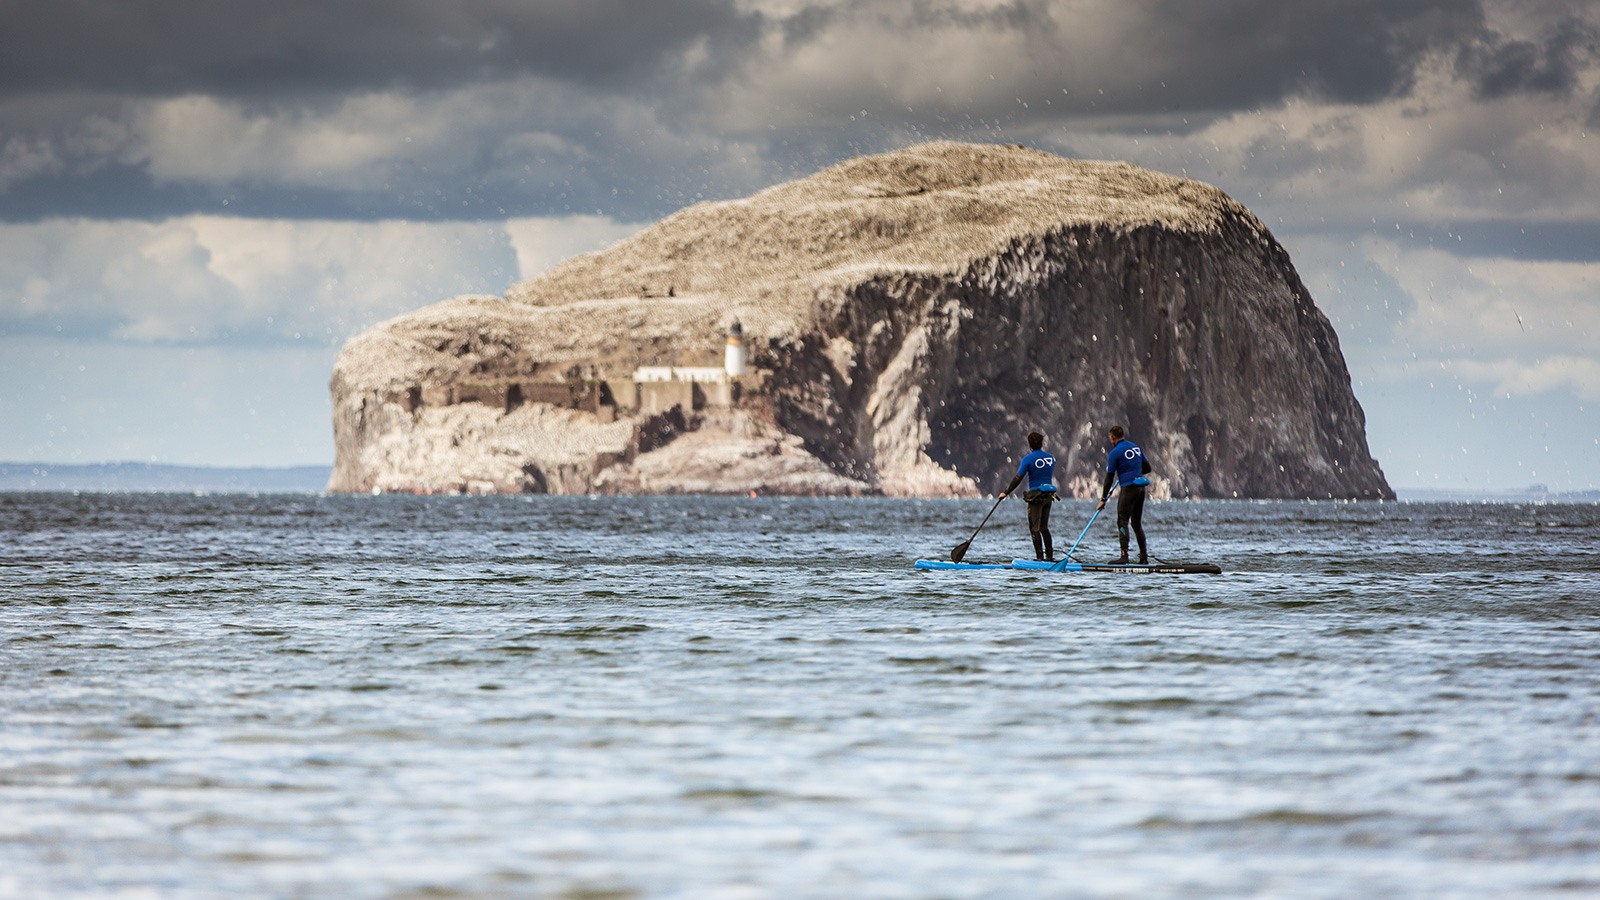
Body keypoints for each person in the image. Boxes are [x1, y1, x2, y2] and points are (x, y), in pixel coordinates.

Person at [998, 431, 1058, 561]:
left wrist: (1006, 492)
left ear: (1029, 445)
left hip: (1036, 497)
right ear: (1041, 443)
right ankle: (1050, 557)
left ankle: (1039, 559)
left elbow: (1018, 478)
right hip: (1048, 496)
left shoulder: (1028, 459)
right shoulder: (1051, 458)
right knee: (1044, 528)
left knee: (1034, 528)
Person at [1097, 425, 1152, 564]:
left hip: (1128, 488)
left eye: (1110, 439)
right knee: (1136, 523)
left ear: (1113, 437)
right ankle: (1144, 557)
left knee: (1122, 520)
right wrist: (1133, 471)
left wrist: (1103, 499)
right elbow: (1147, 468)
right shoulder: (1136, 447)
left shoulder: (1114, 453)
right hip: (1140, 488)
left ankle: (1124, 556)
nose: (1111, 441)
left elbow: (1109, 478)